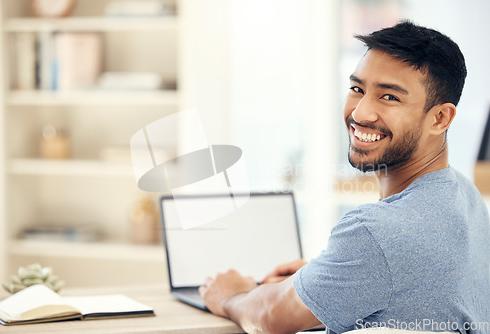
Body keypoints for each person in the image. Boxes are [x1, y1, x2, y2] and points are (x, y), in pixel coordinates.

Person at [199, 21, 490, 334]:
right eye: (357, 89)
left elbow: (270, 316)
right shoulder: (465, 197)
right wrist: (326, 279)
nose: (361, 113)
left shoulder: (376, 233)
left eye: (390, 97)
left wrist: (232, 295)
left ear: (440, 118)